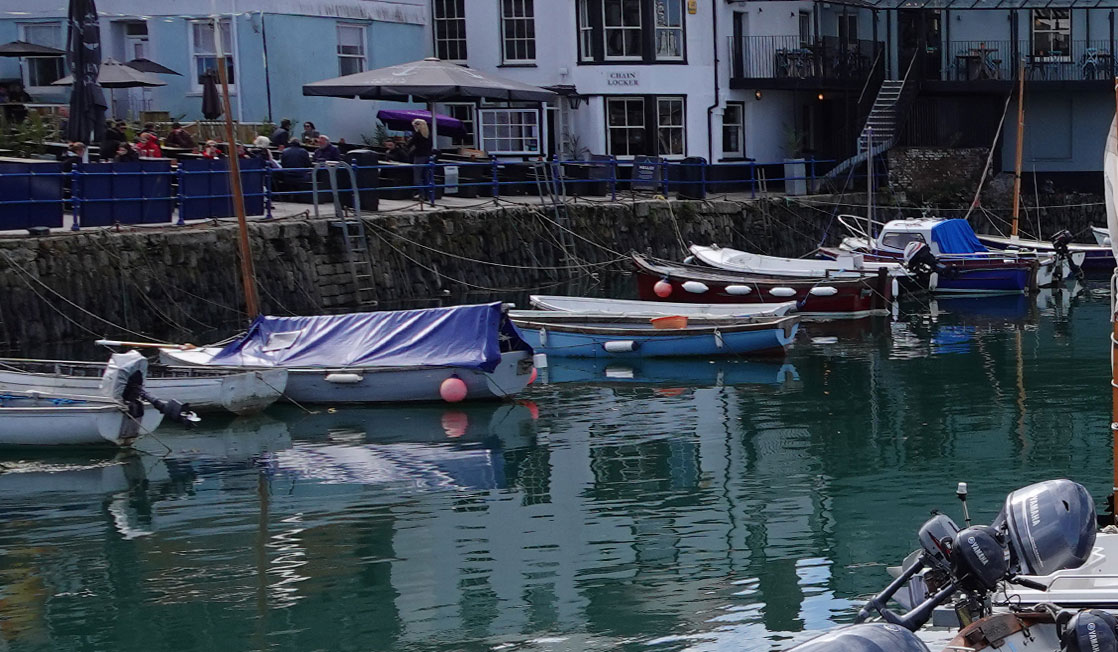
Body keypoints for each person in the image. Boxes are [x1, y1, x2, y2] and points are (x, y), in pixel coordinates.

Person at [406, 117, 433, 195]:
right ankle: (429, 195)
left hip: (419, 156)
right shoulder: (428, 135)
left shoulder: (417, 135)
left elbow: (409, 145)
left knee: (417, 176)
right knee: (426, 176)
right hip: (428, 156)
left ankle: (421, 194)